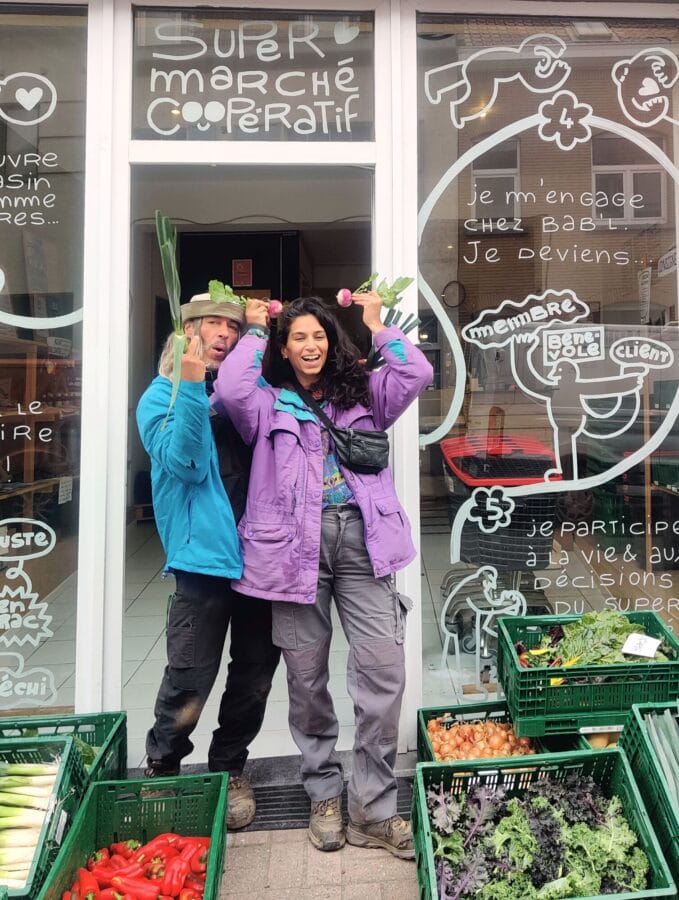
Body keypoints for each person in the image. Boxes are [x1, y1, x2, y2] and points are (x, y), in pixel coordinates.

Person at [213, 292, 433, 858]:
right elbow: (230, 389)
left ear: (331, 342)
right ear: (285, 349)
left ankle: (373, 806)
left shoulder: (363, 392)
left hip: (364, 542)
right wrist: (256, 330)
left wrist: (377, 324)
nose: (310, 346)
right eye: (298, 338)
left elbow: (416, 372)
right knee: (306, 680)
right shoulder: (266, 403)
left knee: (383, 672)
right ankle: (323, 794)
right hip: (293, 552)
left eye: (319, 336)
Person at [136, 291, 281, 829]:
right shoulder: (160, 398)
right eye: (212, 323)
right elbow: (187, 463)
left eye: (232, 326)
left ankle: (229, 768)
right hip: (203, 564)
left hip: (258, 557)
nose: (223, 333)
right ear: (187, 331)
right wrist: (193, 386)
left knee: (254, 675)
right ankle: (163, 767)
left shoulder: (247, 392)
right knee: (190, 676)